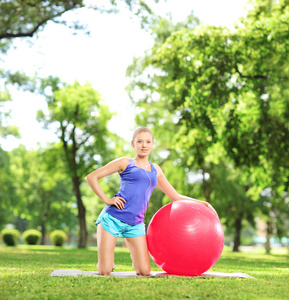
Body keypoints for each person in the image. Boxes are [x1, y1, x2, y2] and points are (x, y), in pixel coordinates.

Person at [85, 127, 217, 276]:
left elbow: (175, 196)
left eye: (148, 142)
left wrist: (203, 203)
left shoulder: (156, 170)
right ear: (132, 144)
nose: (144, 145)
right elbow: (91, 177)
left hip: (135, 224)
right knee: (105, 271)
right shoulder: (124, 163)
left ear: (153, 144)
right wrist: (107, 199)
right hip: (112, 219)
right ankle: (105, 262)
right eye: (139, 141)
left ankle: (116, 260)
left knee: (144, 271)